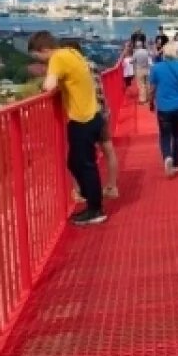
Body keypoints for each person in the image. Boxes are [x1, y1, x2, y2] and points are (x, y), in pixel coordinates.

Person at [29, 31, 105, 225]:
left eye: (38, 57)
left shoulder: (58, 58)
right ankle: (91, 202)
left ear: (44, 50)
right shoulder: (72, 52)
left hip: (82, 119)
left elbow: (49, 85)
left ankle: (95, 209)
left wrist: (44, 86)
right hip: (93, 115)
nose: (42, 62)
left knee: (85, 165)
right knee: (75, 162)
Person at [61, 38, 119, 198]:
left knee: (77, 155)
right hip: (102, 111)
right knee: (108, 150)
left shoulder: (70, 68)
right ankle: (112, 187)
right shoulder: (92, 65)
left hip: (84, 115)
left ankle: (79, 190)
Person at [147, 41, 178, 177]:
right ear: (176, 52)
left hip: (164, 107)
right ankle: (177, 162)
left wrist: (151, 101)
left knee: (164, 135)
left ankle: (167, 156)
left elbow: (152, 89)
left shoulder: (156, 68)